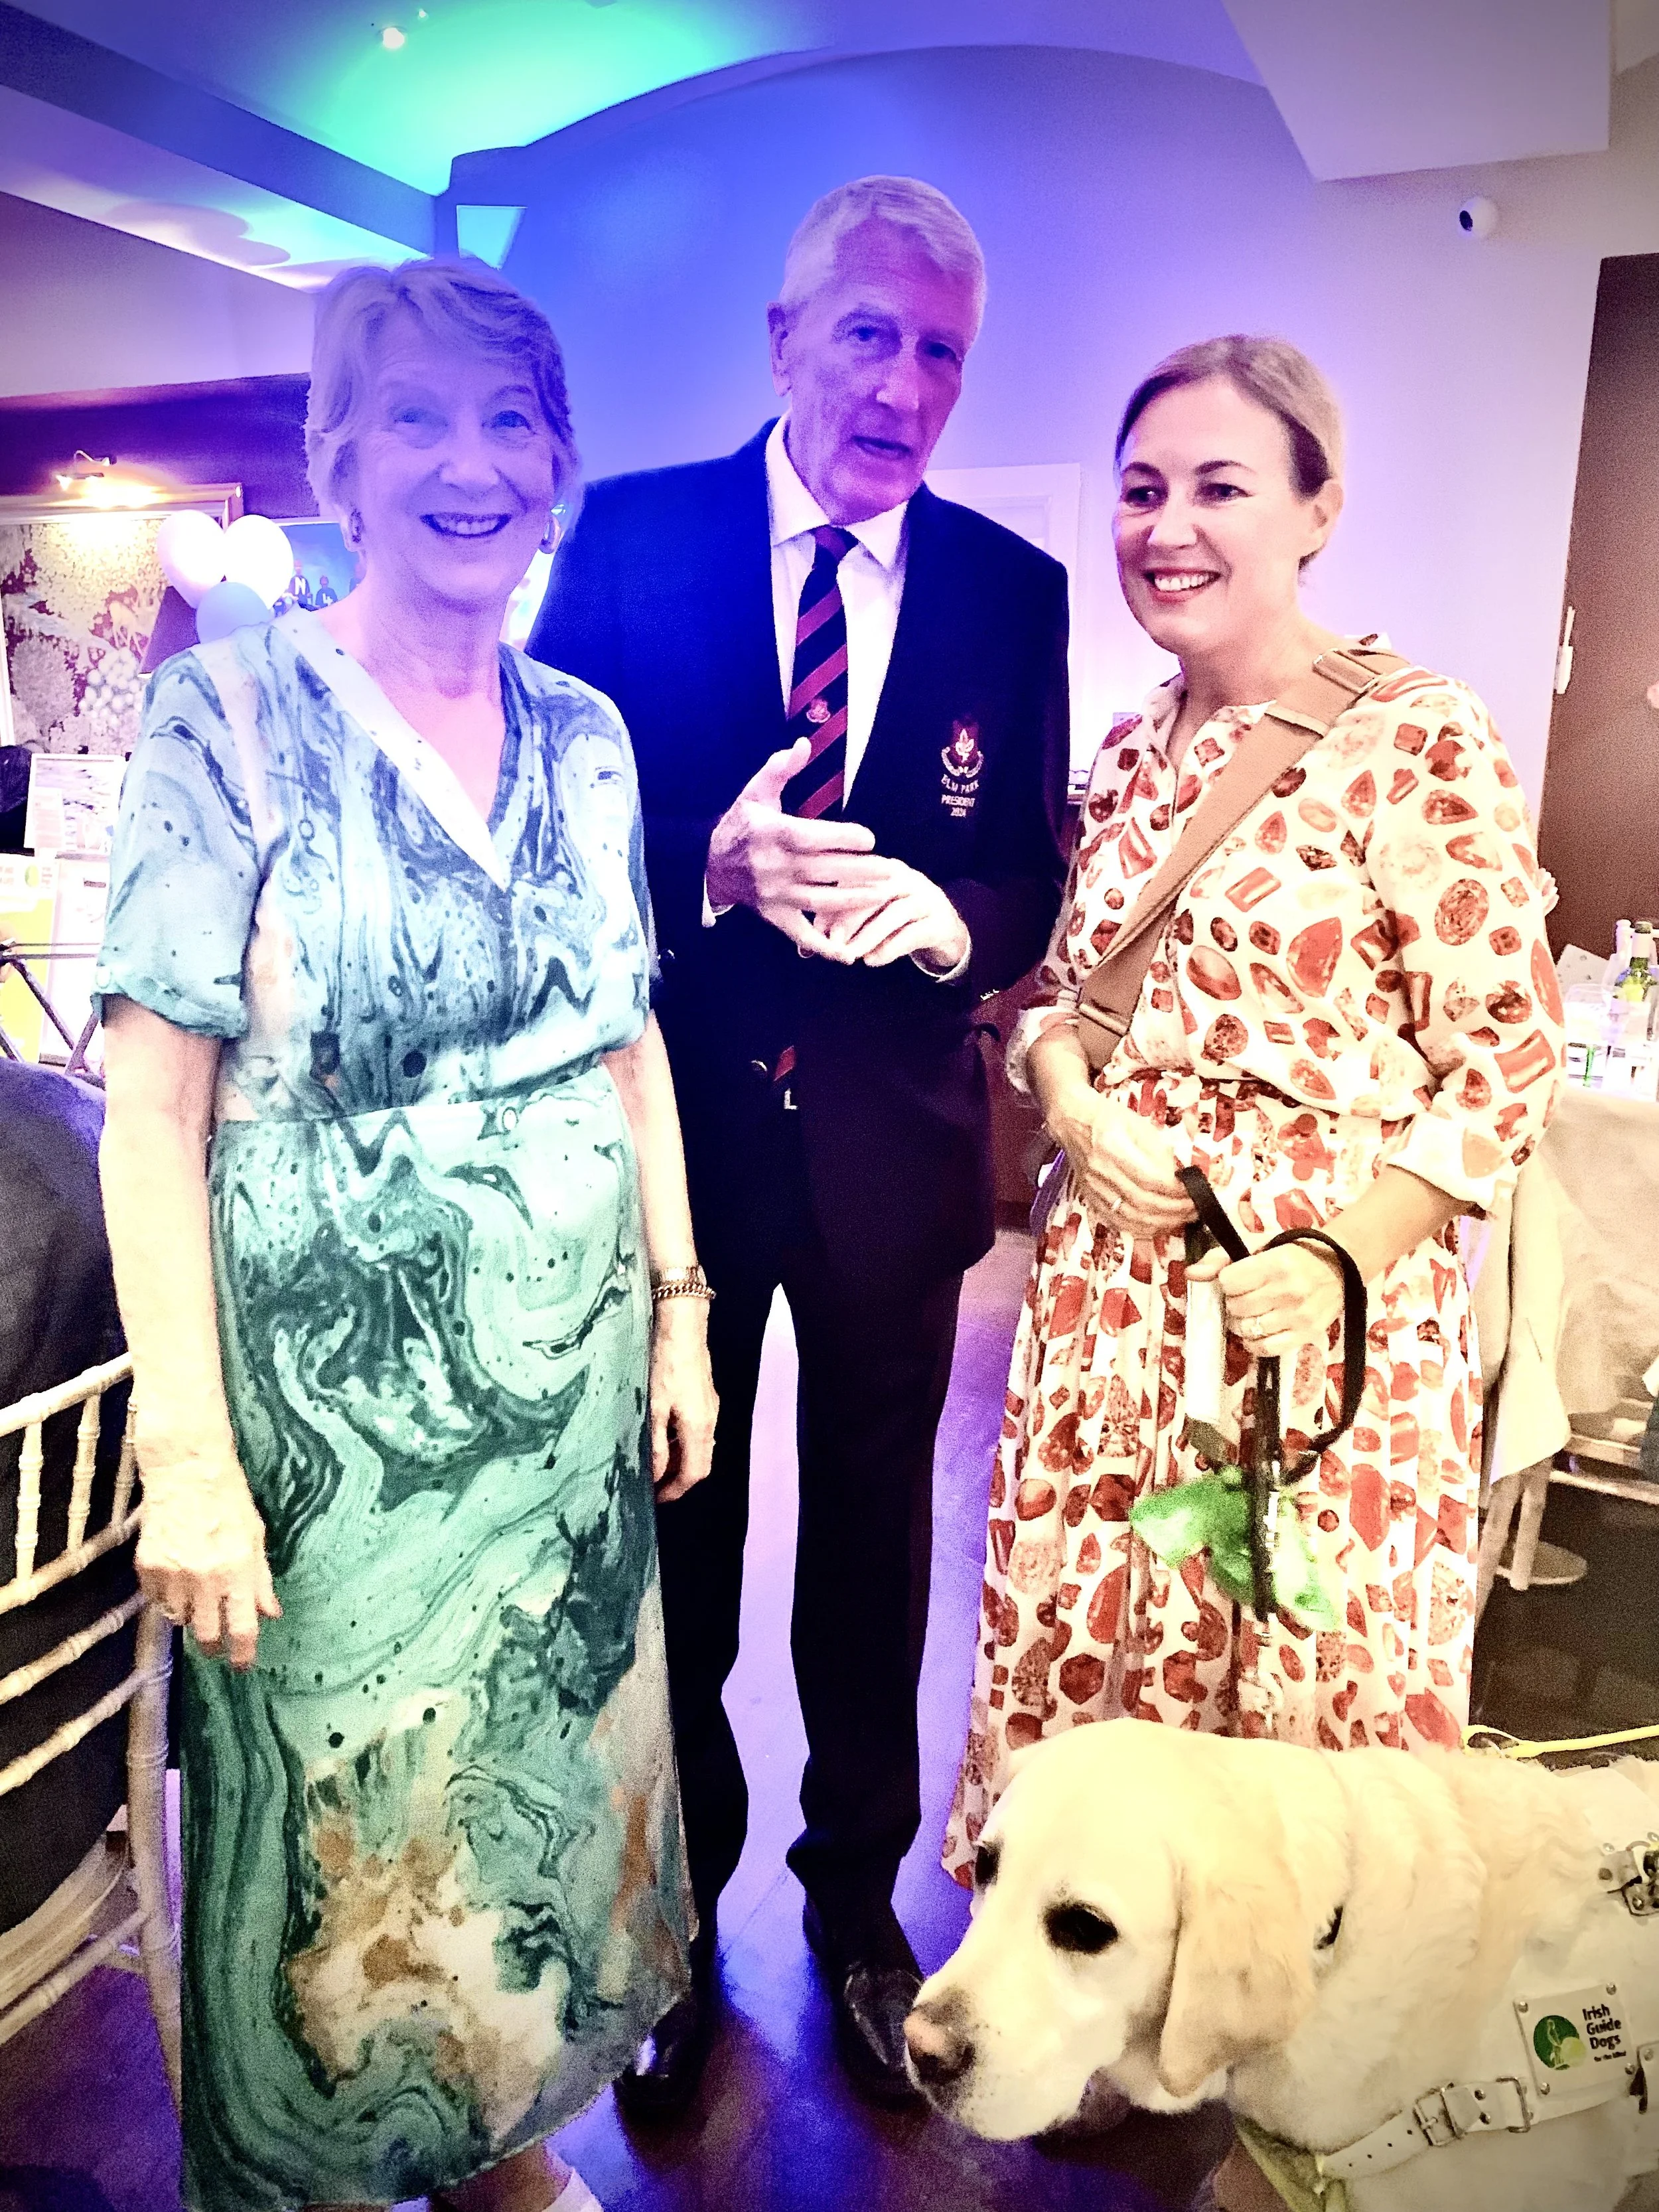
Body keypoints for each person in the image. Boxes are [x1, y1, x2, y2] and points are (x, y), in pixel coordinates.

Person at [94, 258, 713, 2212]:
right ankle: (341, 2172)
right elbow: (155, 1109)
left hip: (568, 1404)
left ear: (562, 468)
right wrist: (187, 1456)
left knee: (534, 1801)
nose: (473, 465)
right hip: (336, 1438)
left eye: (511, 422)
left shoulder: (594, 732)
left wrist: (682, 1313)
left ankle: (507, 2143)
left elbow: (628, 1041)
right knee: (345, 1839)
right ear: (334, 462)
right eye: (420, 420)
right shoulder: (230, 715)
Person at [530, 177, 1069, 2112]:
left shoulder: (1016, 589)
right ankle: (672, 1923)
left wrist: (964, 930)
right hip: (672, 1146)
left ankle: (855, 1906)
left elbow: (1028, 865)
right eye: (868, 333)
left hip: (892, 1150)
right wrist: (699, 866)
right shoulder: (635, 538)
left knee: (869, 1551)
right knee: (677, 1534)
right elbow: (546, 832)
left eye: (939, 350)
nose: (901, 383)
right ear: (780, 343)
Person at [945, 335, 1564, 1883]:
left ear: (1315, 508)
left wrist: (1343, 1253)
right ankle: (1111, 1971)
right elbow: (1056, 1001)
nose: (1169, 527)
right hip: (1106, 1302)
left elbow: (1505, 1051)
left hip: (1303, 1315)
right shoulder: (1116, 757)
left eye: (1220, 486)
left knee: (1298, 1663)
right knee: (1107, 1643)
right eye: (1141, 489)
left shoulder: (1414, 736)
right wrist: (1073, 1102)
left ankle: (1300, 2042)